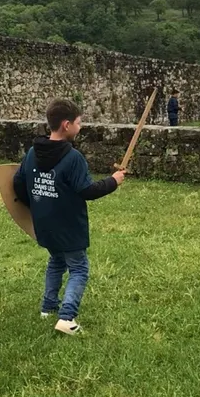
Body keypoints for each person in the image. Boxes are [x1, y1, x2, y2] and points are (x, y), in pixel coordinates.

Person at [12, 100, 125, 335]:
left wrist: (36, 205)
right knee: (79, 268)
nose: (80, 127)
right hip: (68, 226)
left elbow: (19, 183)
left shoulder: (33, 152)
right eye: (78, 123)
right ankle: (67, 317)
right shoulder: (73, 158)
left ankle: (48, 307)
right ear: (66, 125)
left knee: (56, 261)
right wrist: (113, 181)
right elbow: (87, 190)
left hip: (44, 224)